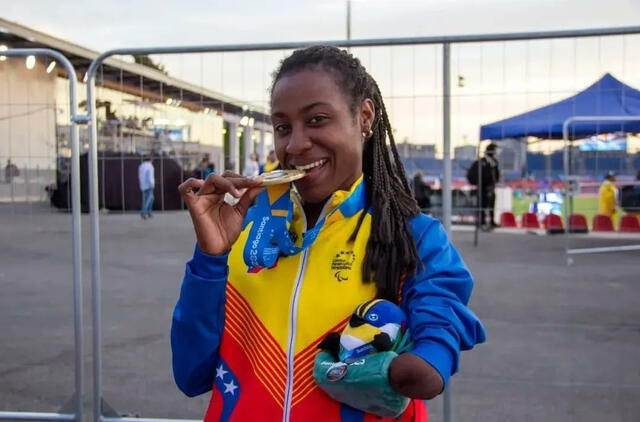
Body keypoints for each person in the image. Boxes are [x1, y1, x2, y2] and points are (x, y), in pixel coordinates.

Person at [171, 46, 485, 421]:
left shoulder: (412, 235)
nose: (295, 145)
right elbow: (191, 375)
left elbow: (440, 324)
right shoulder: (244, 228)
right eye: (283, 127)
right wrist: (210, 261)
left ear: (364, 117)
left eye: (317, 119)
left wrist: (428, 358)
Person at [467, 143, 500, 230]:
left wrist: (495, 181)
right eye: (494, 151)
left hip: (491, 188)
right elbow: (476, 175)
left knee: (492, 205)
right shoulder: (481, 162)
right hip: (483, 188)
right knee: (482, 205)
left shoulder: (495, 162)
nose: (495, 153)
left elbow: (496, 174)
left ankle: (492, 221)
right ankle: (482, 222)